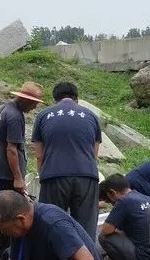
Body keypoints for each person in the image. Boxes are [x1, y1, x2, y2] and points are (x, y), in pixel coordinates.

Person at [0, 190, 106, 260]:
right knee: (7, 254)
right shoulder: (21, 227)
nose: (3, 233)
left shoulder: (52, 223)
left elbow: (85, 258)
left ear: (20, 219)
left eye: (4, 228)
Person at [32, 82, 102, 239]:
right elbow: (94, 154)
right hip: (86, 176)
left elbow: (39, 155)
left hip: (53, 175)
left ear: (55, 99)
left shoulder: (43, 115)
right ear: (76, 99)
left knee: (51, 224)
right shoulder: (91, 116)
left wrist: (42, 176)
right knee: (85, 228)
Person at [0, 81, 43, 260]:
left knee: (5, 210)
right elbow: (11, 149)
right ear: (26, 100)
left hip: (1, 170)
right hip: (10, 173)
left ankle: (2, 251)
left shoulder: (4, 109)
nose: (35, 106)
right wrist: (18, 178)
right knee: (12, 213)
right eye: (34, 102)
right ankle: (8, 253)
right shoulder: (15, 117)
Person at [98, 174, 150, 260]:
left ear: (112, 192)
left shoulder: (124, 201)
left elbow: (106, 230)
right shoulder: (145, 197)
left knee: (103, 238)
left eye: (109, 199)